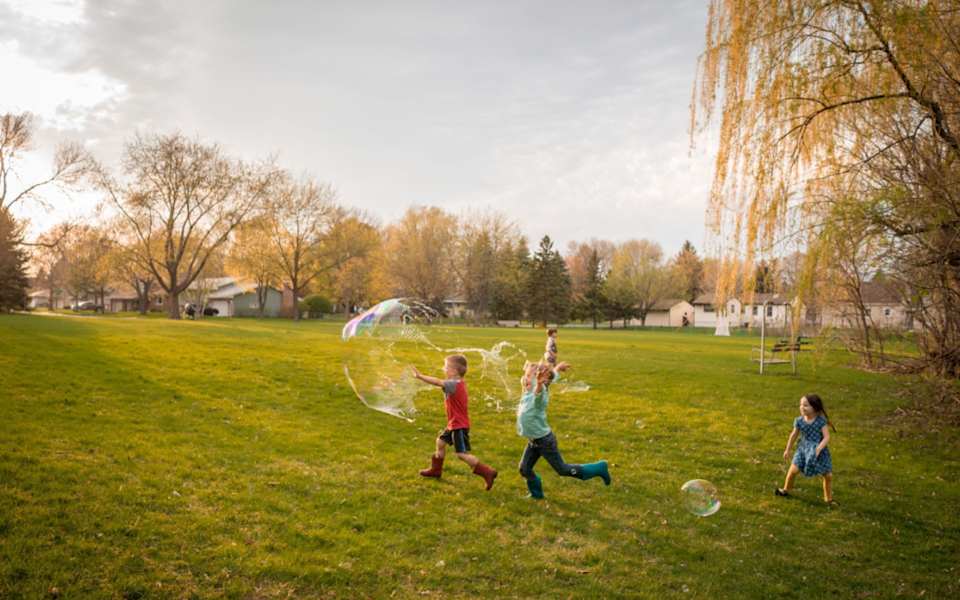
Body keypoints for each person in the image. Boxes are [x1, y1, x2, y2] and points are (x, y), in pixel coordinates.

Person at [516, 360, 610, 499]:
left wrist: (540, 385)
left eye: (529, 376)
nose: (525, 378)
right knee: (524, 469)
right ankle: (537, 495)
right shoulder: (528, 391)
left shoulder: (540, 395)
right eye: (525, 375)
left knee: (562, 469)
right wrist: (557, 369)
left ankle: (599, 468)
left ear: (540, 380)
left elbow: (539, 395)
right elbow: (549, 378)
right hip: (534, 441)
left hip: (544, 441)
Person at [412, 354, 498, 490]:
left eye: (446, 367)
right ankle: (436, 470)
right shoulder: (458, 382)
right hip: (453, 423)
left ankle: (487, 472)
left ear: (454, 371)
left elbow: (437, 382)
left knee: (461, 454)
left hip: (459, 425)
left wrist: (420, 376)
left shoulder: (453, 384)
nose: (443, 369)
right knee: (440, 442)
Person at [776, 394, 835, 503]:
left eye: (806, 405)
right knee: (793, 471)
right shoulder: (799, 421)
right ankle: (785, 490)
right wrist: (787, 449)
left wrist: (818, 449)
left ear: (814, 408)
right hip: (803, 450)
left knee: (828, 475)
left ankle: (828, 499)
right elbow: (793, 435)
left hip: (819, 450)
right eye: (801, 405)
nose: (802, 407)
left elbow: (827, 437)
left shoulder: (820, 421)